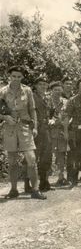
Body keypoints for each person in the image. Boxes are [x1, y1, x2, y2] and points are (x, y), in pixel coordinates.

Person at [0, 66, 46, 199]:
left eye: (19, 77)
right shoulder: (2, 91)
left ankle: (35, 190)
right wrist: (5, 117)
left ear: (22, 77)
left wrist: (35, 127)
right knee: (12, 160)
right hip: (9, 128)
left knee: (31, 159)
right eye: (13, 76)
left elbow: (32, 109)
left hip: (25, 127)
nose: (16, 79)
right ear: (9, 76)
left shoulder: (27, 90)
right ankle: (13, 190)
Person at [33, 77, 53, 192]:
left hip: (46, 130)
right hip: (36, 130)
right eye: (40, 84)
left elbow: (51, 112)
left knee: (47, 156)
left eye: (45, 84)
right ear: (36, 85)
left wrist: (51, 119)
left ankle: (44, 182)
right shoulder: (32, 97)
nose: (43, 86)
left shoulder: (47, 98)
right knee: (33, 157)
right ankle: (29, 184)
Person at [48, 81, 69, 186]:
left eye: (59, 89)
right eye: (55, 90)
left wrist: (66, 122)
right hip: (49, 132)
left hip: (61, 131)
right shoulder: (47, 101)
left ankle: (61, 177)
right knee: (48, 154)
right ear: (51, 91)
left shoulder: (66, 102)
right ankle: (45, 179)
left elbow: (69, 115)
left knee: (61, 154)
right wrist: (50, 121)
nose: (57, 92)